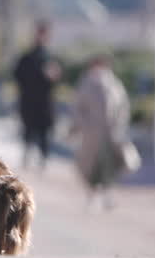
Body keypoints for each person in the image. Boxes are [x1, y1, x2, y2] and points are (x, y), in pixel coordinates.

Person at [72, 55, 134, 208]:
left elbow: (123, 106)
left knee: (109, 167)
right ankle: (92, 196)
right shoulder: (87, 84)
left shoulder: (114, 84)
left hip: (110, 134)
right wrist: (84, 125)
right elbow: (78, 108)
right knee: (91, 167)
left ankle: (108, 196)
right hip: (92, 135)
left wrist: (119, 125)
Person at [13, 22, 61, 169]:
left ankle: (43, 159)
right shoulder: (27, 57)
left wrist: (53, 76)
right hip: (29, 100)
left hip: (45, 102)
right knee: (28, 130)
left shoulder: (50, 58)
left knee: (44, 132)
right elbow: (17, 75)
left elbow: (55, 80)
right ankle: (27, 156)